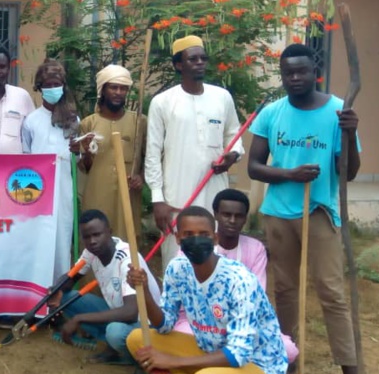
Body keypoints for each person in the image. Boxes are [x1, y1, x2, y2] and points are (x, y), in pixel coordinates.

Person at [247, 43, 379, 374]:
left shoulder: (339, 110)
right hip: (278, 215)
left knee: (332, 293)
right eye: (288, 73)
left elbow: (349, 173)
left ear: (314, 71)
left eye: (301, 72)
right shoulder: (272, 112)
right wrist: (289, 174)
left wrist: (350, 135)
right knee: (285, 292)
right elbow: (255, 167)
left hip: (320, 212)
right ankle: (286, 366)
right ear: (282, 74)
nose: (294, 79)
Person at [127, 206, 287, 374]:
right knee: (138, 339)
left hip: (260, 369)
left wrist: (172, 361)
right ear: (178, 238)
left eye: (202, 234)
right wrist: (145, 290)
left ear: (215, 238)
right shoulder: (177, 268)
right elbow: (165, 323)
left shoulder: (239, 280)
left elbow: (238, 354)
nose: (195, 240)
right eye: (188, 234)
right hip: (212, 352)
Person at [145, 35, 244, 273]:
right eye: (193, 59)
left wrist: (232, 156)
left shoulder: (222, 97)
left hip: (214, 196)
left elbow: (234, 135)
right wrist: (158, 199)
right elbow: (152, 153)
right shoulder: (162, 102)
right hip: (176, 199)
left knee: (215, 259)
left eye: (203, 58)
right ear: (179, 64)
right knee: (176, 261)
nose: (200, 62)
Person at [172, 189, 299, 363]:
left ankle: (224, 360)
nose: (232, 221)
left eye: (238, 216)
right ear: (216, 215)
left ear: (245, 218)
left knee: (289, 350)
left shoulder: (255, 249)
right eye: (226, 214)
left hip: (241, 322)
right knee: (183, 335)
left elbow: (256, 296)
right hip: (198, 323)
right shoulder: (192, 245)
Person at [52, 210, 160, 364]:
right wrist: (56, 289)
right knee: (66, 297)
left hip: (144, 323)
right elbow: (72, 277)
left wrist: (79, 318)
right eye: (87, 237)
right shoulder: (91, 252)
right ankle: (111, 343)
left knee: (115, 332)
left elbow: (130, 312)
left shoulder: (127, 260)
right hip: (117, 312)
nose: (92, 241)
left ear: (109, 232)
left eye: (97, 235)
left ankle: (130, 356)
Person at [74, 64, 146, 243]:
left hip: (127, 197)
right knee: (96, 242)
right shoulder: (88, 124)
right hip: (97, 195)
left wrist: (141, 177)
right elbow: (84, 168)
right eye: (113, 87)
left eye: (123, 88)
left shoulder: (139, 122)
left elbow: (149, 157)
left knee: (127, 244)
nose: (118, 92)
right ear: (103, 90)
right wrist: (87, 154)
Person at [22, 59, 79, 278]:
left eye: (57, 84)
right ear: (39, 88)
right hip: (36, 188)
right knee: (37, 237)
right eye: (48, 85)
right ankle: (36, 285)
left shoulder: (72, 120)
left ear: (63, 86)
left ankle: (59, 289)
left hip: (63, 188)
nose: (53, 89)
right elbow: (26, 156)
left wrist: (78, 149)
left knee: (62, 237)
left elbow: (81, 159)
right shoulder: (31, 121)